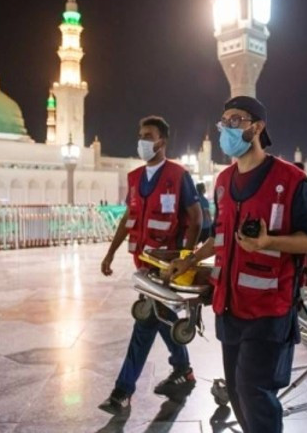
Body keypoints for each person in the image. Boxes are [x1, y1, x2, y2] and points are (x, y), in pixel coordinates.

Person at [166, 96, 307, 433]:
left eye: (236, 120)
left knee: (254, 390)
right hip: (229, 306)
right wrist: (190, 260)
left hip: (270, 307)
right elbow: (220, 234)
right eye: (224, 121)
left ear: (258, 127)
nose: (227, 127)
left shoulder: (291, 180)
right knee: (239, 392)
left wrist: (271, 243)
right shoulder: (223, 182)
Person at [98, 116, 203, 414]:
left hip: (167, 266)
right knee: (159, 315)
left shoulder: (178, 175)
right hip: (143, 264)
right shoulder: (134, 178)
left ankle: (122, 391)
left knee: (146, 322)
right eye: (140, 135)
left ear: (162, 142)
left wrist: (185, 259)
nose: (142, 140)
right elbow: (127, 219)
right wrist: (110, 253)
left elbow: (196, 219)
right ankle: (183, 370)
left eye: (148, 135)